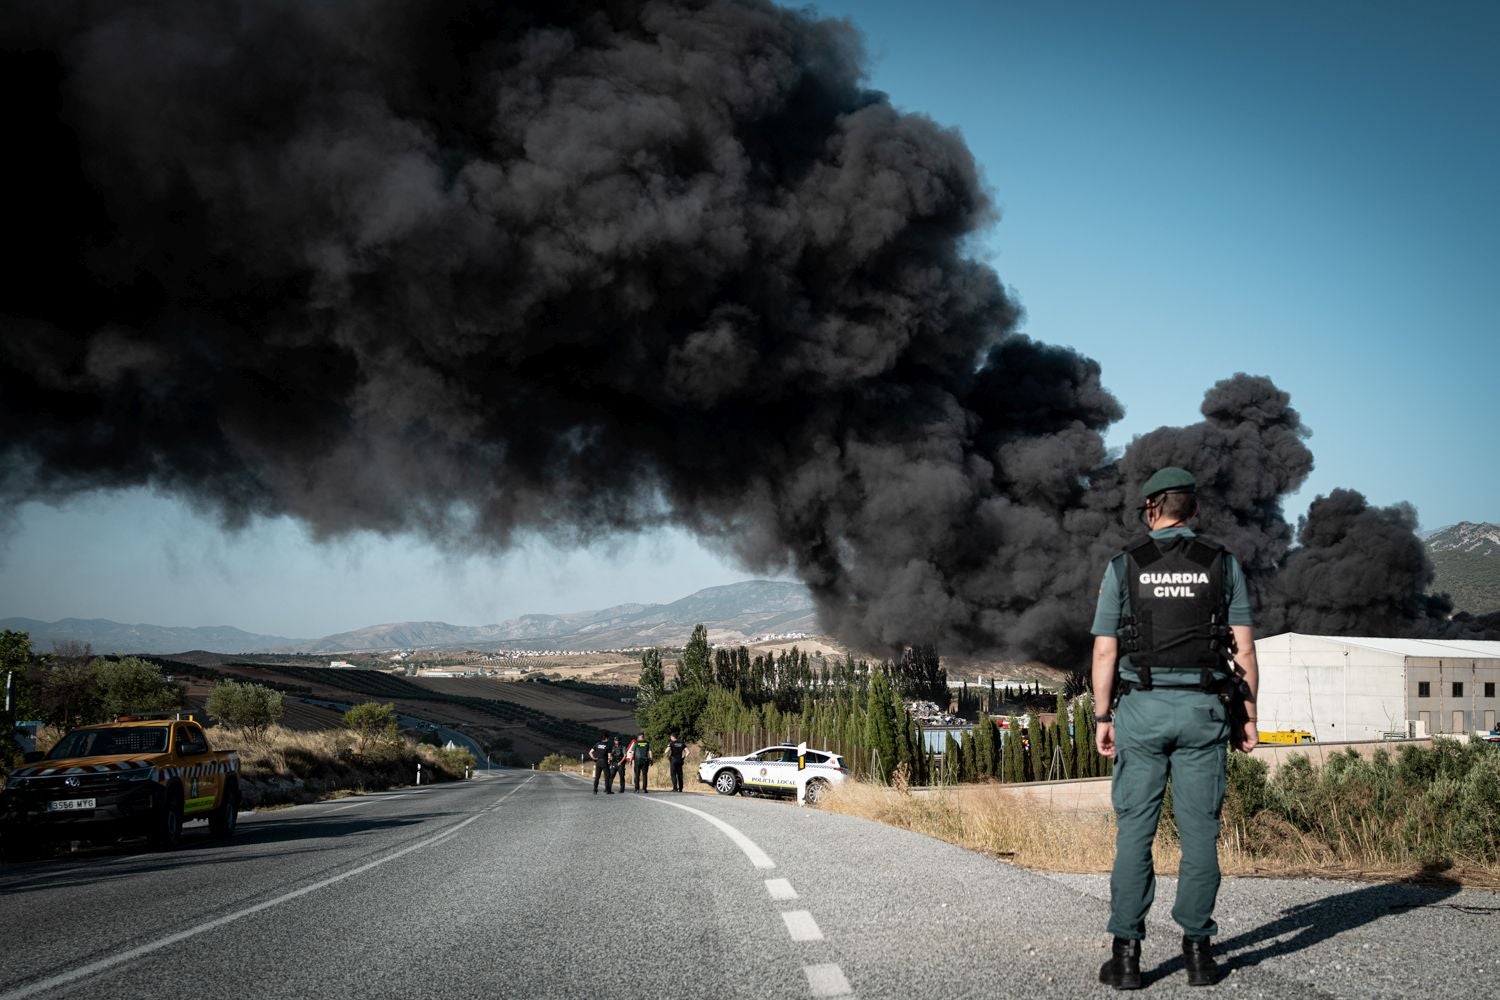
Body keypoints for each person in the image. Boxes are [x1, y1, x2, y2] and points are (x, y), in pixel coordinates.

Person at [1091, 467, 1259, 990]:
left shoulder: (1125, 565)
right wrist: (1249, 718)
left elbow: (1104, 648)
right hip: (1203, 712)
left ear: (1150, 510)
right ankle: (1199, 956)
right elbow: (1245, 649)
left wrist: (1102, 716)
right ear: (1194, 510)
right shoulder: (1222, 564)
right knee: (1200, 835)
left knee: (1134, 834)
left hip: (1141, 711)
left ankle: (1126, 957)